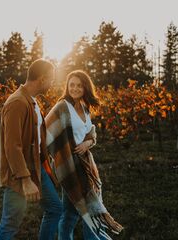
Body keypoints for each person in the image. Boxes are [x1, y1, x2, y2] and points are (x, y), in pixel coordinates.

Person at [45, 70, 124, 240]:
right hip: (70, 167)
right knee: (84, 214)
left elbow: (91, 134)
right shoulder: (62, 107)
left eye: (79, 85)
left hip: (86, 166)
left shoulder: (85, 107)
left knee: (71, 214)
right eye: (71, 85)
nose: (74, 88)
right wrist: (60, 154)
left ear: (85, 88)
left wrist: (87, 144)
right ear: (67, 86)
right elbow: (46, 130)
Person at [0, 59, 62, 240]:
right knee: (10, 223)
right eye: (51, 79)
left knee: (55, 208)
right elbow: (12, 147)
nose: (52, 83)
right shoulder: (17, 103)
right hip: (21, 173)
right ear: (41, 78)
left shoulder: (31, 100)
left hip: (36, 168)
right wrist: (25, 180)